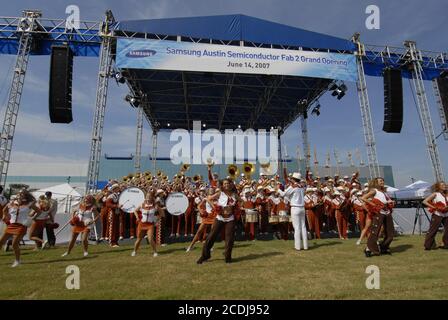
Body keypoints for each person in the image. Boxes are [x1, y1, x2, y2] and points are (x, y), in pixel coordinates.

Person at [197, 179, 241, 264]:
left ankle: (228, 257)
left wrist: (236, 209)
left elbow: (242, 201)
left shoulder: (235, 195)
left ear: (231, 184)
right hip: (220, 217)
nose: (226, 185)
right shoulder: (220, 193)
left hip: (230, 218)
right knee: (211, 236)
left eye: (228, 183)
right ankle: (205, 256)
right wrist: (215, 207)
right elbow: (208, 199)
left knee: (229, 239)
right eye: (225, 183)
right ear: (222, 185)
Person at [0, 190, 40, 267]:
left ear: (25, 196)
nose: (20, 195)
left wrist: (32, 218)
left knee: (14, 244)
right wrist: (5, 216)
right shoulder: (12, 203)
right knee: (1, 242)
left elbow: (38, 211)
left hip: (21, 226)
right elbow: (4, 210)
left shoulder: (29, 204)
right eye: (19, 193)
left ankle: (17, 261)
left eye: (22, 194)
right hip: (11, 225)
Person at [361, 177, 395, 257]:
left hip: (387, 212)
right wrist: (374, 205)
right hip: (379, 213)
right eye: (380, 181)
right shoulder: (374, 190)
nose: (382, 182)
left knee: (390, 233)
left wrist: (390, 202)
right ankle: (368, 249)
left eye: (383, 180)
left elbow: (384, 201)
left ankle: (384, 248)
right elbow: (363, 198)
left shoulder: (384, 192)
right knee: (375, 232)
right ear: (376, 182)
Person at [278, 172, 307, 251]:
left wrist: (277, 189)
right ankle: (305, 246)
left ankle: (297, 246)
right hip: (302, 207)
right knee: (303, 227)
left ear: (294, 179)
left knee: (297, 228)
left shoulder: (293, 186)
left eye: (292, 179)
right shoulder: (302, 187)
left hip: (295, 208)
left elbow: (284, 194)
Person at [131, 192, 159, 257]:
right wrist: (137, 217)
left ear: (151, 198)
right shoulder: (142, 204)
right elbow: (135, 210)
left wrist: (157, 220)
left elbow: (160, 214)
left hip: (150, 225)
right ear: (145, 198)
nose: (148, 198)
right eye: (147, 197)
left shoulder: (155, 205)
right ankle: (134, 251)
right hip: (142, 224)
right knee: (139, 239)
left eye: (149, 197)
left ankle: (155, 252)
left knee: (150, 239)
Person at [422, 181, 448, 250]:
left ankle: (446, 244)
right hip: (437, 214)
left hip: (446, 214)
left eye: (445, 185)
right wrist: (434, 207)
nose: (445, 186)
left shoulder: (447, 194)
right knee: (433, 230)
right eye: (442, 185)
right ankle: (428, 246)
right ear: (438, 187)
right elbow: (424, 201)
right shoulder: (435, 194)